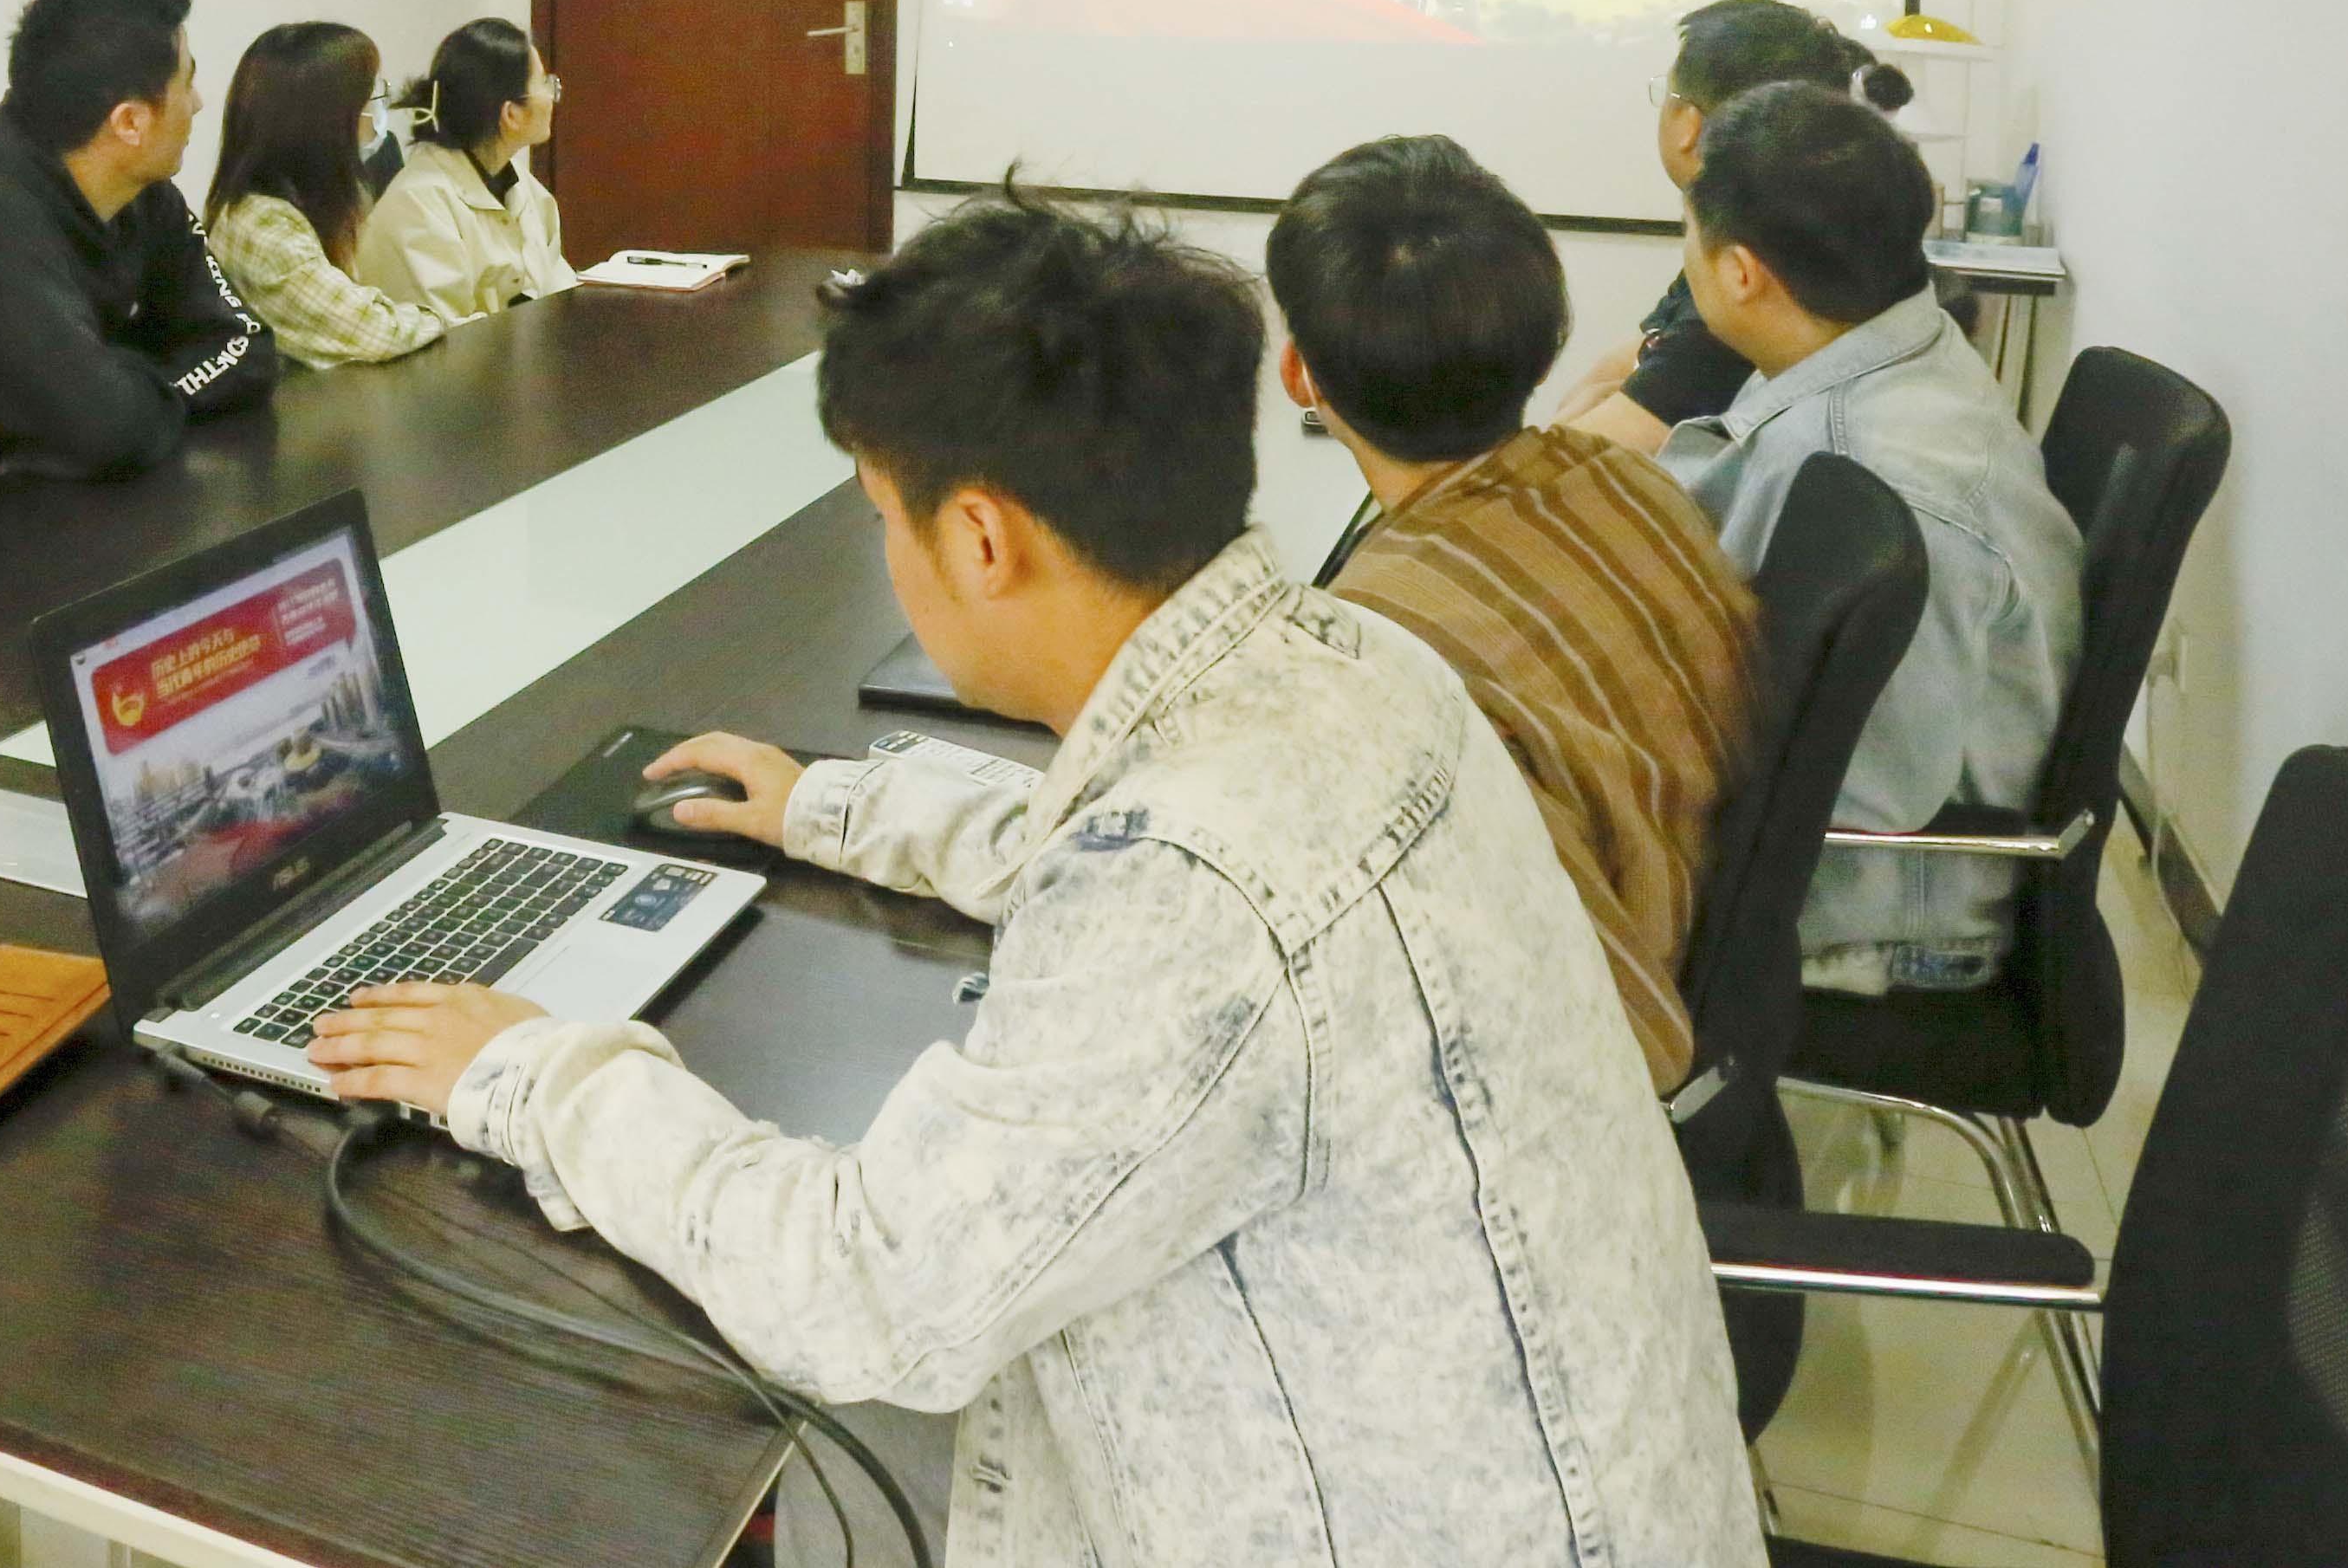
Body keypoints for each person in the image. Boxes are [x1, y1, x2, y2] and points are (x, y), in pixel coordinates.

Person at [308, 192, 1758, 1568]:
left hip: (1408, 1517)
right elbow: (1149, 842)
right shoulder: (1360, 662)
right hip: (1563, 1482)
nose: (890, 550)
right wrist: (838, 803)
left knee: (729, 1407)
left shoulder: (1183, 888)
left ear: (981, 538)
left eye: (886, 514)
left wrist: (529, 1072)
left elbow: (872, 1291)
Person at [1265, 134, 1755, 1089]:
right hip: (1705, 951)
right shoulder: (1630, 481)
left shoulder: (1384, 654)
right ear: (1543, 344)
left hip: (1595, 1062)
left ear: (1300, 377)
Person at [1661, 81, 2083, 993]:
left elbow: (1865, 789)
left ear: (1741, 275)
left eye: (1687, 232)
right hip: (1853, 835)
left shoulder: (1885, 488)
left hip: (1887, 907)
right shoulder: (1877, 344)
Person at [0, 0, 276, 497]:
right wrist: (144, 374)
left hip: (61, 501)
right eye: (187, 82)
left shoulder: (145, 194)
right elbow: (108, 434)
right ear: (129, 123)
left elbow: (246, 346)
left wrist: (138, 384)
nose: (197, 103)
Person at [1556, 0, 1915, 451]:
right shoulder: (1782, 225)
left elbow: (1575, 457)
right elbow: (1639, 355)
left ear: (1690, 125)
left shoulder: (1753, 288)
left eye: (1668, 96)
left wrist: (1574, 417)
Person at [203, 21, 447, 369]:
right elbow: (373, 333)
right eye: (370, 98)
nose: (380, 112)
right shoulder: (262, 223)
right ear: (323, 122)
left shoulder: (313, 200)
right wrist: (439, 318)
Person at [353, 17, 574, 320]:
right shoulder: (419, 205)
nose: (552, 96)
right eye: (544, 83)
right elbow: (442, 333)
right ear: (511, 114)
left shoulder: (524, 187)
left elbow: (559, 294)